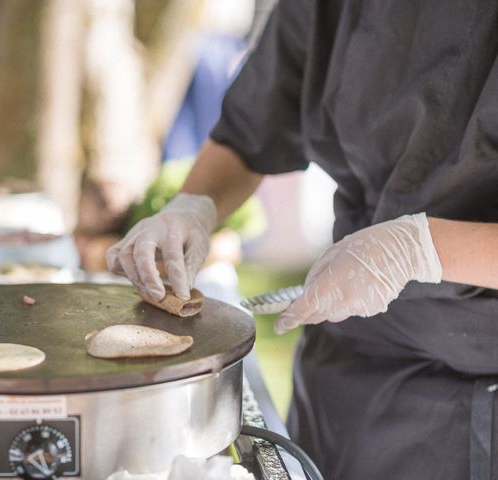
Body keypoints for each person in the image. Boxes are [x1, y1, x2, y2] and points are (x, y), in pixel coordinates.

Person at [106, 1, 498, 479]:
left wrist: (422, 247)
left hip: (472, 389)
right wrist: (193, 206)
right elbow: (251, 129)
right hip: (345, 355)